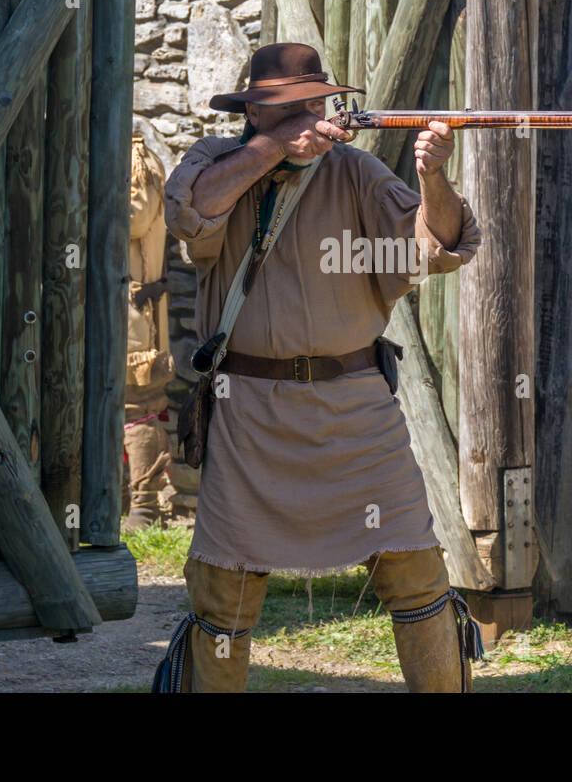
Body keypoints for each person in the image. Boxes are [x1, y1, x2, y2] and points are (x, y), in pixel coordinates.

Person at [157, 42, 484, 692]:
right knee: (223, 600)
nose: (312, 118)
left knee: (419, 578)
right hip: (249, 411)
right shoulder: (215, 162)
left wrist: (432, 179)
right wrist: (277, 147)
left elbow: (436, 247)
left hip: (355, 409)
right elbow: (192, 210)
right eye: (290, 109)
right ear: (255, 112)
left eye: (316, 106)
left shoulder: (357, 173)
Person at [121, 134, 176, 531]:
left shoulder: (135, 159)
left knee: (136, 406)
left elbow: (136, 218)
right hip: (104, 312)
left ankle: (144, 505)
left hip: (133, 317)